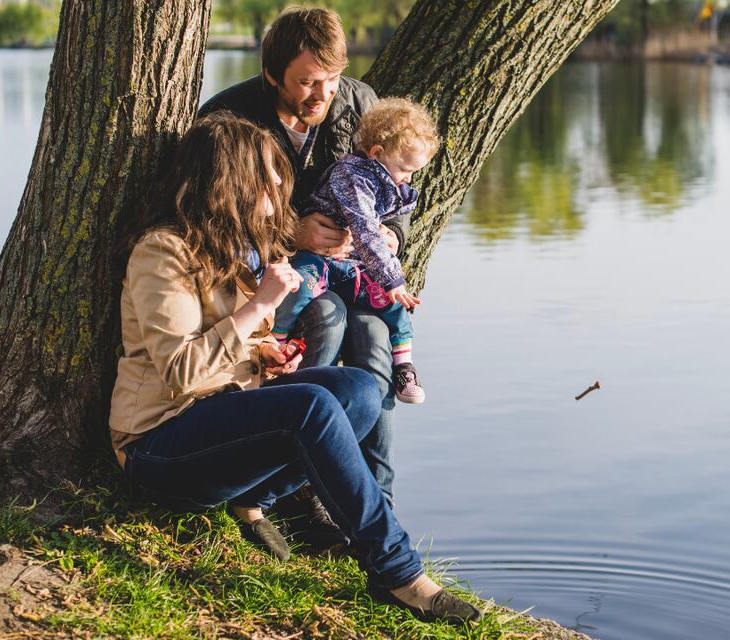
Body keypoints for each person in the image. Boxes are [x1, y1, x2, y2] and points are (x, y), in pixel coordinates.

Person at [108, 112, 480, 624]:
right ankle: (397, 571)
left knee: (359, 390)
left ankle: (253, 498)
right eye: (268, 176)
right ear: (233, 182)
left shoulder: (239, 248)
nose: (280, 186)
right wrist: (261, 305)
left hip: (224, 418)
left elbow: (241, 344)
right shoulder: (163, 252)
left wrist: (268, 355)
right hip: (159, 444)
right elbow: (181, 371)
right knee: (312, 406)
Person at [198, 7, 405, 510]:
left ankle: (376, 503)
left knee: (377, 343)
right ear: (273, 75)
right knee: (326, 321)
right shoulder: (230, 117)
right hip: (275, 277)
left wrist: (392, 234)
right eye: (308, 82)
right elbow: (211, 216)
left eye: (331, 79)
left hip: (354, 271)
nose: (322, 94)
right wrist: (289, 232)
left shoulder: (361, 102)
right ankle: (289, 479)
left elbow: (397, 186)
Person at [272, 98, 439, 405]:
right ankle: (276, 343)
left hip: (352, 263)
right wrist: (392, 277)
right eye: (405, 169)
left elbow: (384, 224)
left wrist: (392, 238)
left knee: (392, 303)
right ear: (377, 153)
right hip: (320, 256)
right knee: (298, 287)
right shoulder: (352, 175)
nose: (408, 178)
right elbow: (363, 227)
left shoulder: (389, 180)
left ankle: (404, 365)